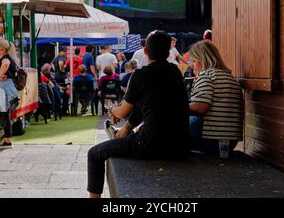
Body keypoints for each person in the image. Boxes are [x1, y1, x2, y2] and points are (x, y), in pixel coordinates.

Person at [87, 30, 190, 199]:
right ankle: (123, 133)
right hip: (181, 145)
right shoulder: (175, 72)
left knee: (94, 153)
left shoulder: (140, 75)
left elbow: (123, 111)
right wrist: (127, 126)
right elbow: (149, 104)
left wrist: (111, 109)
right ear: (168, 51)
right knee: (143, 106)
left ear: (146, 51)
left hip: (151, 144)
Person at [188, 40, 244, 156]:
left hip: (209, 141)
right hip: (229, 144)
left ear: (203, 59)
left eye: (193, 61)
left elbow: (200, 108)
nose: (191, 65)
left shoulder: (206, 76)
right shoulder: (229, 77)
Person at [0, 39, 19, 148]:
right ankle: (7, 140)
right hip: (6, 91)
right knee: (5, 115)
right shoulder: (7, 59)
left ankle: (7, 140)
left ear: (2, 49)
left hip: (4, 91)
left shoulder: (5, 60)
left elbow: (1, 74)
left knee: (5, 115)